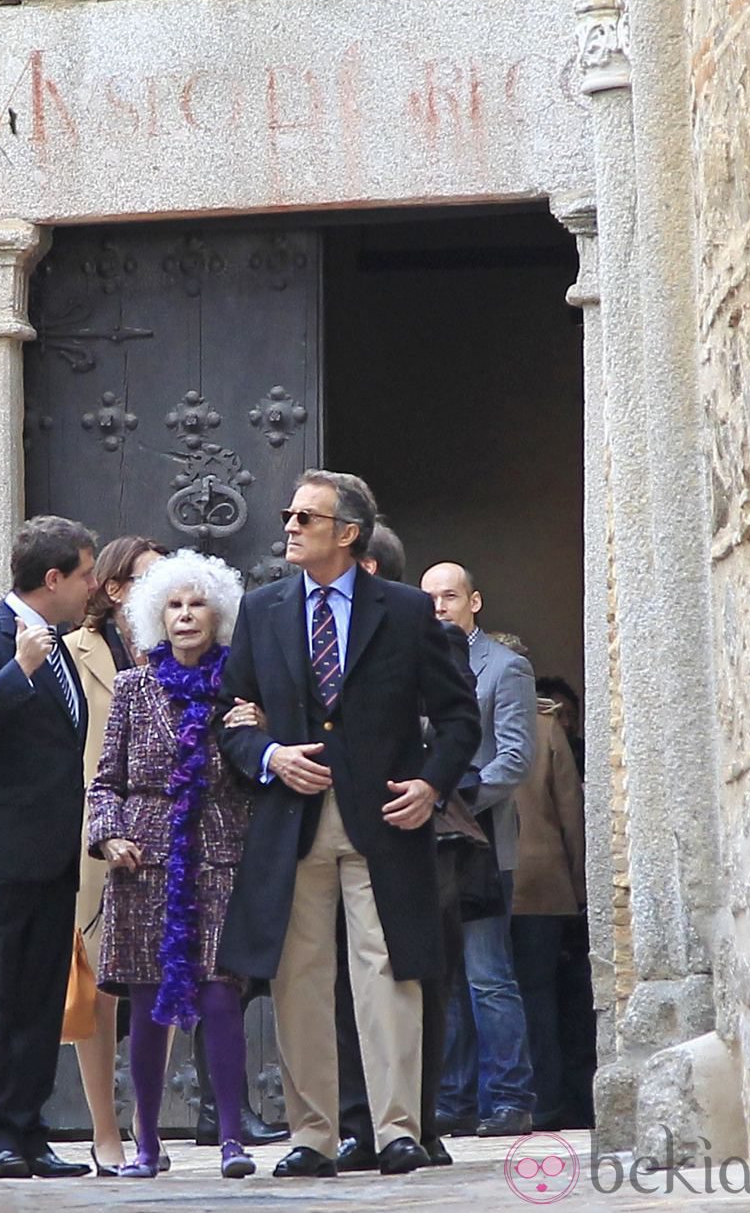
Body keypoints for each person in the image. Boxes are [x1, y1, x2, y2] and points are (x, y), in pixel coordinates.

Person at [217, 471, 481, 1178]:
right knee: (299, 978)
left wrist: (431, 783)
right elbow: (228, 714)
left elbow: (459, 717)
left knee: (388, 969)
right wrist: (269, 754)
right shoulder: (262, 609)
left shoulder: (402, 610)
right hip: (292, 823)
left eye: (307, 515)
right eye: (290, 514)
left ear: (348, 531)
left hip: (387, 817)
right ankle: (313, 1135)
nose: (291, 525)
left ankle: (399, 1128)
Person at [87, 549, 258, 1180]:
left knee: (219, 994)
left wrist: (256, 729)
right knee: (150, 1001)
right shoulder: (134, 690)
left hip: (218, 854)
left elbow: (256, 775)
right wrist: (108, 838)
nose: (186, 616)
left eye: (198, 604)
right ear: (158, 617)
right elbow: (106, 782)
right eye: (175, 606)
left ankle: (233, 1140)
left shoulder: (240, 690)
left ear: (220, 615)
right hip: (144, 861)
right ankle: (148, 1146)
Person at [0, 515, 98, 1179]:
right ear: (53, 577)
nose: (93, 587)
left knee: (36, 1002)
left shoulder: (64, 645)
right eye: (86, 574)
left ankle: (30, 1131)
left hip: (51, 857)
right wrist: (19, 669)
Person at [335, 525, 478, 1174]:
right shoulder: (316, 637)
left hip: (416, 830)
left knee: (418, 971)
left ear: (366, 565)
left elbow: (454, 719)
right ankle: (356, 1122)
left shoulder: (426, 630)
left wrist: (416, 767)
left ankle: (418, 1118)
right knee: (346, 981)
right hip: (338, 827)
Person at [420, 562, 537, 1139]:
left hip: (485, 844)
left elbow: (514, 759)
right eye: (431, 597)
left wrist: (452, 796)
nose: (440, 605)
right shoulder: (414, 665)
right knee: (441, 978)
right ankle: (452, 1100)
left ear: (475, 601)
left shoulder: (506, 668)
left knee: (488, 976)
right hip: (427, 845)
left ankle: (512, 1098)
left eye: (450, 595)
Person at [63, 534, 166, 1175]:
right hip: (91, 830)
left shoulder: (185, 652)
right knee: (98, 986)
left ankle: (146, 1121)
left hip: (161, 835)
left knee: (161, 980)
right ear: (115, 587)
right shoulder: (72, 653)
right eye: (151, 576)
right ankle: (105, 1129)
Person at [511, 690, 587, 1130]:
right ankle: (546, 1102)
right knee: (537, 997)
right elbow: (571, 812)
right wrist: (578, 887)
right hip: (542, 880)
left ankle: (487, 1101)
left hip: (474, 879)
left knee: (473, 993)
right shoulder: (545, 728)